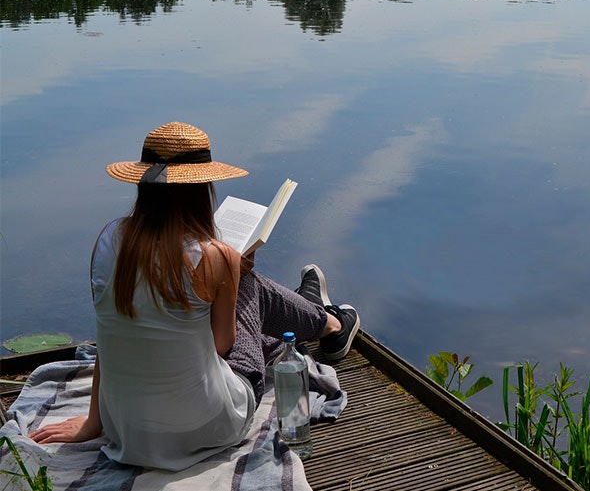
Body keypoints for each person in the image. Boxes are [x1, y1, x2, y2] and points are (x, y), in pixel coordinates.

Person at [29, 122, 360, 471]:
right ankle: (329, 323)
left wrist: (94, 423)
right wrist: (232, 276)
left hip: (126, 429)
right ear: (202, 188)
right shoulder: (215, 256)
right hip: (209, 426)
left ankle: (315, 313)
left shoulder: (108, 241)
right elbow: (222, 347)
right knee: (251, 288)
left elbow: (108, 338)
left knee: (239, 290)